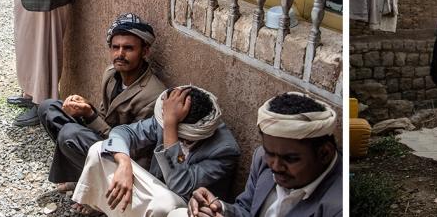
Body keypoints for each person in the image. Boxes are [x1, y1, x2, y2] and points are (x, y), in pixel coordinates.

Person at [38, 14, 166, 194]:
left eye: (128, 48)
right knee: (48, 108)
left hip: (127, 158)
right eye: (115, 47)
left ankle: (100, 192)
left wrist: (89, 114)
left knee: (70, 133)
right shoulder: (111, 74)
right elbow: (105, 116)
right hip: (106, 138)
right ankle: (82, 177)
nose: (120, 54)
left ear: (145, 51)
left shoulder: (153, 94)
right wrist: (85, 108)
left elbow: (134, 148)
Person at [70, 85, 241, 216]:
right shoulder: (165, 118)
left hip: (181, 206)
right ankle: (99, 206)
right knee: (100, 149)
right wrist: (123, 163)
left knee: (164, 203)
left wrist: (171, 128)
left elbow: (179, 186)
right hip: (155, 190)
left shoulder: (224, 151)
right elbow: (122, 132)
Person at [181, 92, 342, 217]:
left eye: (290, 159)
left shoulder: (337, 206)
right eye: (270, 153)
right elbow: (246, 210)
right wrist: (218, 208)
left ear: (324, 154)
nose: (276, 166)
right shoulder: (262, 159)